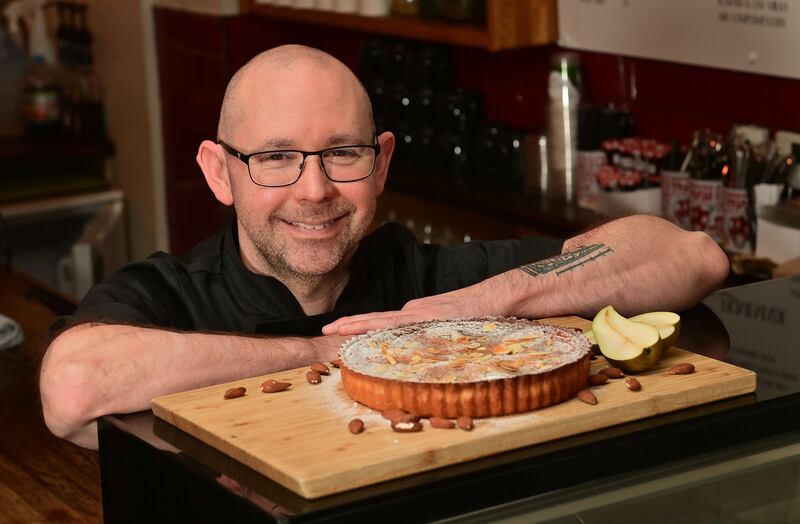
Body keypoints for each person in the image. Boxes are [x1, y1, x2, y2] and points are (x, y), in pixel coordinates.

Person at [39, 45, 730, 450]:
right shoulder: (167, 296)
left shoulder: (430, 280)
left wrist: (483, 301)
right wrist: (327, 353)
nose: (314, 191)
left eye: (342, 154)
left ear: (382, 163)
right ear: (220, 172)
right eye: (276, 157)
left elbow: (691, 256)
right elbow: (72, 385)